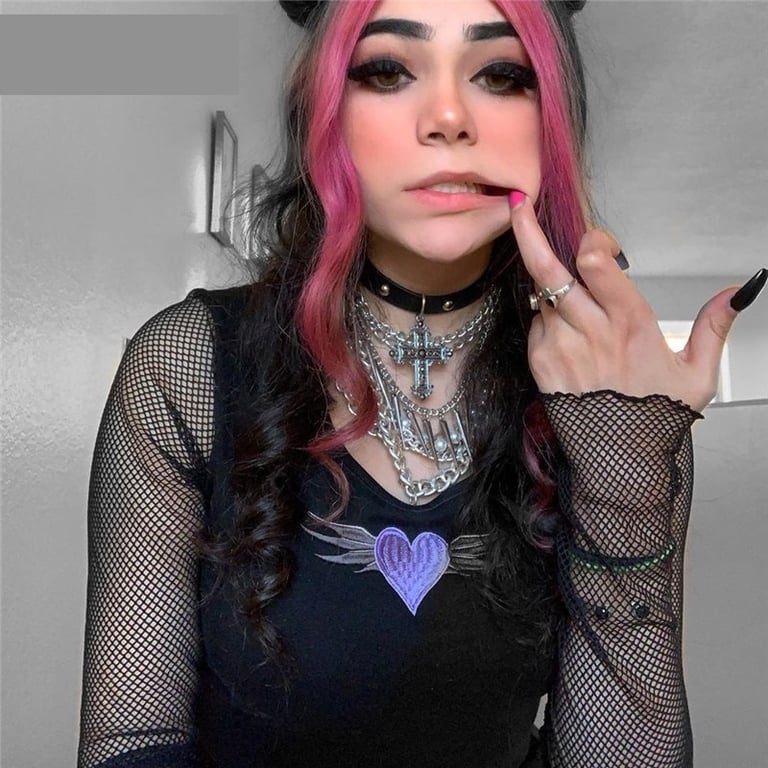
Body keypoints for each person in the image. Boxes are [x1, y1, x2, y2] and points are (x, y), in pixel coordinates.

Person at [76, 1, 767, 766]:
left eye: (500, 74)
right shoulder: (187, 364)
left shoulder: (616, 408)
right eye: (387, 70)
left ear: (552, 120)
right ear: (324, 109)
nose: (448, 118)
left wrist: (621, 479)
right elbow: (132, 741)